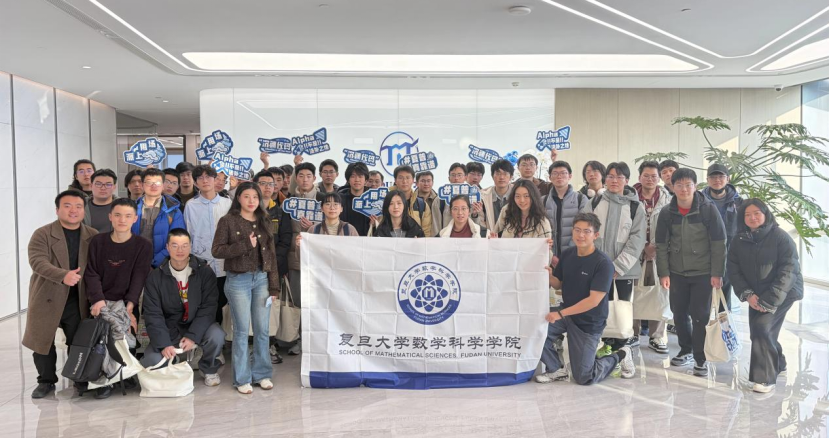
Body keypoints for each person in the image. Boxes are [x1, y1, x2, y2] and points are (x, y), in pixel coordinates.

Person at [536, 212, 636, 384]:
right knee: (534, 327)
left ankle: (622, 355)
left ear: (595, 235)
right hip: (567, 313)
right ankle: (556, 369)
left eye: (586, 231)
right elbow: (558, 284)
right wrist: (550, 276)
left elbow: (593, 301)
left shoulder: (603, 263)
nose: (581, 235)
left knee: (584, 377)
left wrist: (560, 314)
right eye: (577, 230)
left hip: (588, 321)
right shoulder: (568, 254)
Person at [24, 190, 98, 399]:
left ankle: (79, 378)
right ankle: (46, 381)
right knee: (43, 342)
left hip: (78, 299)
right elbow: (37, 261)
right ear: (57, 210)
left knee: (78, 341)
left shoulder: (92, 235)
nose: (73, 210)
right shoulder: (43, 234)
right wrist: (63, 275)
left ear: (84, 211)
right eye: (67, 206)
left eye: (78, 206)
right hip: (47, 296)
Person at [655, 168, 727, 377]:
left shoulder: (707, 209)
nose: (684, 189)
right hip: (677, 272)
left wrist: (717, 273)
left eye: (688, 185)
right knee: (678, 313)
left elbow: (719, 243)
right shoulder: (667, 213)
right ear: (672, 187)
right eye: (679, 185)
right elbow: (661, 245)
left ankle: (700, 358)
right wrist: (663, 273)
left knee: (700, 316)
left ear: (695, 186)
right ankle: (685, 349)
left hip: (703, 272)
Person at [212, 182, 281, 395]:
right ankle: (242, 378)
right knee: (241, 331)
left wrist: (274, 287)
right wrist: (244, 246)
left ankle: (262, 374)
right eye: (246, 196)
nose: (251, 201)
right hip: (238, 280)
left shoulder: (264, 220)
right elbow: (217, 250)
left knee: (262, 330)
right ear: (238, 198)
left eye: (255, 197)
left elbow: (271, 256)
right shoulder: (228, 221)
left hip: (261, 279)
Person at [728, 199, 803, 394]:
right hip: (755, 293)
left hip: (783, 293)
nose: (752, 218)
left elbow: (789, 270)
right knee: (760, 331)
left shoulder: (780, 237)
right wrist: (748, 294)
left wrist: (769, 300)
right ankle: (779, 362)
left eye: (757, 213)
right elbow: (733, 270)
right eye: (747, 214)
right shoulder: (738, 240)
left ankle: (765, 378)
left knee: (762, 328)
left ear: (765, 214)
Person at [84, 198, 154, 399]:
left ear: (135, 219)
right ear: (110, 217)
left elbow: (139, 275)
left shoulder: (143, 245)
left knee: (126, 337)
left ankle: (124, 374)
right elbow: (91, 273)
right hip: (100, 300)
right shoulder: (98, 241)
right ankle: (104, 380)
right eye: (117, 215)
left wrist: (130, 307)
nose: (122, 220)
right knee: (102, 339)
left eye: (127, 216)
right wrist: (98, 300)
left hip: (127, 301)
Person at [141, 228, 225, 387]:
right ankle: (174, 362)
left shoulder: (204, 272)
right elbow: (153, 314)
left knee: (217, 335)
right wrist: (163, 343)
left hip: (197, 323)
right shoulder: (155, 277)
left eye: (184, 245)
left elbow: (209, 307)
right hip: (170, 327)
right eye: (175, 245)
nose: (180, 250)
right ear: (167, 247)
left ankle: (208, 368)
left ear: (190, 247)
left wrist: (193, 335)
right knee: (152, 361)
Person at [582, 162, 647, 349]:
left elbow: (637, 240)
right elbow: (584, 233)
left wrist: (618, 267)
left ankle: (620, 352)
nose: (614, 181)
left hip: (623, 272)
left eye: (619, 177)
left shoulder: (635, 207)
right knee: (596, 309)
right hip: (596, 270)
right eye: (610, 176)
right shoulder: (594, 203)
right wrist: (592, 263)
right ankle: (599, 349)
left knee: (621, 312)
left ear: (627, 180)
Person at [184, 165, 232, 325]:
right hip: (202, 262)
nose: (205, 180)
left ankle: (221, 335)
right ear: (195, 182)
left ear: (215, 179)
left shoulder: (227, 204)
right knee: (204, 303)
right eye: (200, 178)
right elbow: (188, 234)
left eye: (208, 177)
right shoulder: (191, 205)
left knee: (223, 302)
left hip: (224, 263)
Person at [633, 161, 672, 354]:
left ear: (659, 178)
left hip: (659, 253)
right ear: (639, 177)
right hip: (634, 253)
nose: (650, 179)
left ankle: (657, 336)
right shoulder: (630, 198)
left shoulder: (667, 199)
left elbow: (671, 228)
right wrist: (641, 246)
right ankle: (632, 334)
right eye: (646, 176)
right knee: (634, 293)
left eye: (654, 176)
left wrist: (654, 247)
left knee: (659, 294)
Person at [702, 164, 743, 311]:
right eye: (713, 177)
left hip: (729, 254)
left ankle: (724, 323)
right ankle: (703, 324)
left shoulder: (739, 203)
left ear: (728, 179)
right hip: (703, 254)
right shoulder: (699, 201)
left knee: (724, 296)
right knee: (702, 296)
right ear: (707, 180)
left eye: (721, 176)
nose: (717, 180)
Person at [134, 168, 187, 268]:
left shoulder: (173, 211)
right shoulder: (131, 208)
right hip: (135, 264)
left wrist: (155, 263)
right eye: (149, 182)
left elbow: (177, 241)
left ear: (163, 185)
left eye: (158, 182)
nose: (154, 186)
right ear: (142, 185)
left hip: (163, 265)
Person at [543, 161, 588, 267]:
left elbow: (584, 228)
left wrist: (570, 253)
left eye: (563, 173)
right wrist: (551, 256)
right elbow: (540, 230)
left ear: (570, 176)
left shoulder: (581, 199)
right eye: (555, 173)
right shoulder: (543, 201)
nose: (559, 176)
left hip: (575, 255)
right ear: (550, 177)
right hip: (549, 257)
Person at [432, 163, 484, 232]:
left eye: (459, 175)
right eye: (453, 175)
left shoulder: (473, 197)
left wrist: (475, 215)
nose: (456, 178)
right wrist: (437, 238)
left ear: (465, 177)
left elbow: (477, 227)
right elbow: (436, 225)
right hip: (446, 237)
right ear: (449, 178)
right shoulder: (440, 199)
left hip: (468, 237)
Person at [390, 165, 433, 237]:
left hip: (416, 243)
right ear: (395, 180)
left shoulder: (422, 204)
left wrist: (421, 242)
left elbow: (426, 231)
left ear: (413, 180)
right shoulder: (387, 202)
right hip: (390, 242)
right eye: (401, 178)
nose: (404, 181)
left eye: (408, 177)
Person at [479, 159, 515, 233]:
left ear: (511, 176)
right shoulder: (483, 196)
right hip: (490, 236)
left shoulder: (518, 193)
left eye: (505, 174)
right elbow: (480, 221)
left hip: (513, 237)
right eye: (498, 173)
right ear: (492, 176)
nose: (501, 177)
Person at [338, 162, 372, 236]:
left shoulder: (372, 199)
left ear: (366, 180)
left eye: (360, 176)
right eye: (353, 176)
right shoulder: (339, 199)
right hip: (344, 238)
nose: (357, 180)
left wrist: (375, 223)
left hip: (367, 240)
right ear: (348, 180)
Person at [84, 169, 117, 234]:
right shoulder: (80, 206)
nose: (103, 188)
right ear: (91, 186)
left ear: (114, 187)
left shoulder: (124, 206)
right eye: (98, 184)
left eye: (108, 185)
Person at [415, 171, 440, 236]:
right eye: (423, 181)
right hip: (416, 237)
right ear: (417, 183)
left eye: (428, 181)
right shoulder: (412, 200)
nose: (426, 184)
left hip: (435, 236)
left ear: (432, 183)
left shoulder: (439, 201)